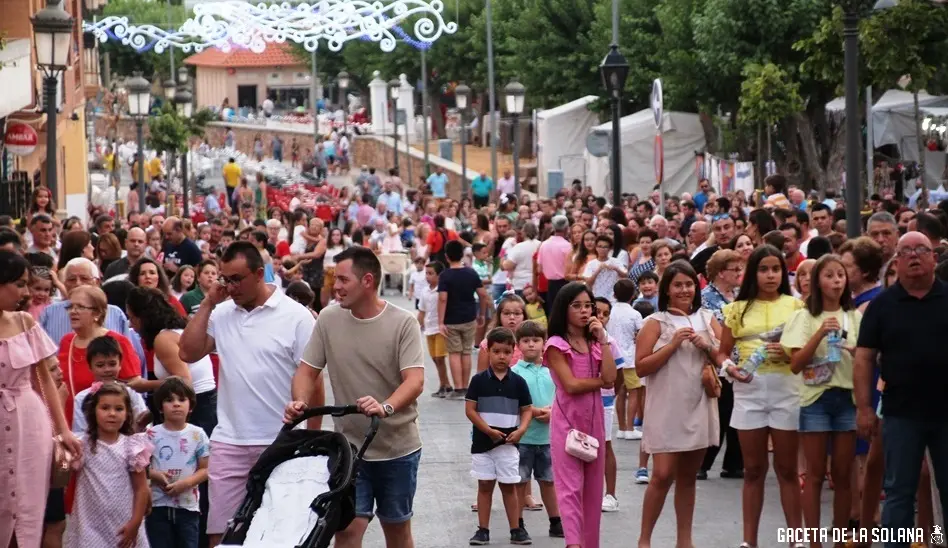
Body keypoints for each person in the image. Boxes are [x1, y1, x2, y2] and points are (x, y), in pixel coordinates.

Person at [285, 246, 426, 548]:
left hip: (397, 449)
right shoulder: (328, 319)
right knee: (347, 531)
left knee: (397, 531)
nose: (335, 286)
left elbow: (415, 381)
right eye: (335, 279)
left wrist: (385, 407)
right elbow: (307, 372)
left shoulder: (404, 323)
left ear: (368, 281)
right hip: (349, 450)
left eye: (343, 280)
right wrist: (299, 401)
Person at [179, 242, 315, 548]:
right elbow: (187, 351)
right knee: (221, 533)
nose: (230, 286)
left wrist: (308, 437)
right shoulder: (222, 312)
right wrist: (207, 305)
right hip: (229, 440)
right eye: (225, 278)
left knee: (280, 533)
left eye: (237, 278)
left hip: (279, 440)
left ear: (259, 274)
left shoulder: (297, 316)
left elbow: (312, 377)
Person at [855, 232, 948, 546]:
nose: (914, 256)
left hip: (945, 412)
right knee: (898, 492)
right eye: (906, 251)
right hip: (900, 412)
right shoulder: (882, 306)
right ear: (896, 261)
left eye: (921, 249)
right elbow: (864, 357)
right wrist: (865, 408)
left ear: (934, 257)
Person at [714, 245, 804, 548]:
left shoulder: (797, 306)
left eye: (775, 269)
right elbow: (722, 351)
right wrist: (729, 368)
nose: (770, 275)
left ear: (783, 272)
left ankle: (797, 540)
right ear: (753, 272)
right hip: (748, 390)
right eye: (763, 269)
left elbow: (807, 351)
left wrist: (790, 351)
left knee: (788, 470)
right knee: (753, 470)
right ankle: (748, 541)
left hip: (787, 387)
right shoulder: (737, 309)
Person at [635, 261, 721, 548]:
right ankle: (644, 539)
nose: (685, 290)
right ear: (667, 290)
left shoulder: (708, 318)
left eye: (689, 284)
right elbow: (641, 368)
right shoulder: (655, 322)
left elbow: (724, 356)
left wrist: (706, 345)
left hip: (698, 402)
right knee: (661, 475)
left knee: (687, 477)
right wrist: (671, 345)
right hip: (666, 406)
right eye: (678, 285)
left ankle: (685, 540)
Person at [0, 250, 81, 548]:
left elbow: (45, 380)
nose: (25, 293)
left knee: (29, 507)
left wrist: (62, 430)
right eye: (19, 284)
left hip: (29, 423)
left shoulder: (25, 322)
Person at [781, 254, 861, 548]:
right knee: (814, 474)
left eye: (840, 275)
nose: (836, 281)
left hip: (847, 397)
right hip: (815, 398)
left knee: (842, 474)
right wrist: (820, 333)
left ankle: (839, 539)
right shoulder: (804, 316)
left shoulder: (855, 317)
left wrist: (856, 353)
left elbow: (869, 358)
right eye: (829, 275)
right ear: (817, 282)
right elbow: (795, 363)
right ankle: (813, 541)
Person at [544, 282, 617, 548]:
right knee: (570, 489)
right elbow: (571, 385)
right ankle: (573, 544)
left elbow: (611, 377)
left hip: (594, 423)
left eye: (588, 306)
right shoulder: (555, 344)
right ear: (564, 309)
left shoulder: (596, 343)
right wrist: (600, 382)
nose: (584, 311)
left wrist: (604, 340)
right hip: (566, 424)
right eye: (577, 306)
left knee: (594, 490)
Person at [465, 327, 534, 545]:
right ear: (488, 352)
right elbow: (470, 410)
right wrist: (487, 430)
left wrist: (521, 429)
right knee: (484, 486)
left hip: (508, 445)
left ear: (513, 352)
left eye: (506, 351)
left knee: (509, 487)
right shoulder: (478, 381)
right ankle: (482, 530)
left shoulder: (519, 382)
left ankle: (516, 529)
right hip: (482, 445)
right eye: (496, 351)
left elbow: (527, 409)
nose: (501, 356)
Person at [64, 382, 153, 548]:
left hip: (124, 523)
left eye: (119, 409)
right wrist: (63, 457)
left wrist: (135, 523)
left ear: (127, 413)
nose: (112, 414)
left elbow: (141, 488)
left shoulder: (132, 447)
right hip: (89, 526)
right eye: (105, 408)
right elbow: (63, 470)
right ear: (93, 411)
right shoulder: (82, 445)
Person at [58, 285, 143, 427]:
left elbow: (133, 387)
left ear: (97, 312)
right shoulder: (66, 341)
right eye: (70, 307)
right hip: (72, 425)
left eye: (80, 307)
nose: (73, 312)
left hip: (109, 427)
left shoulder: (117, 341)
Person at [510, 320, 563, 539]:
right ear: (518, 345)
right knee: (520, 483)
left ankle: (556, 521)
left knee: (548, 481)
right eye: (526, 341)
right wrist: (535, 412)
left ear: (544, 343)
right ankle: (518, 524)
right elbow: (513, 403)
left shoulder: (552, 371)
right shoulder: (514, 373)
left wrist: (553, 412)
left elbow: (561, 397)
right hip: (523, 437)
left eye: (536, 340)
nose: (531, 344)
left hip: (548, 437)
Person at [145, 377, 211, 548]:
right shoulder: (151, 434)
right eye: (169, 400)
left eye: (181, 399)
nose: (176, 404)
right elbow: (141, 467)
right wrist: (155, 475)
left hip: (188, 508)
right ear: (160, 407)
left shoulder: (198, 434)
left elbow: (206, 469)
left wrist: (186, 483)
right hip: (157, 506)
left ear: (191, 406)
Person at [698, 249, 745, 479]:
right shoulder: (706, 297)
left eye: (740, 268)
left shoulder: (739, 296)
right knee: (720, 413)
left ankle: (734, 463)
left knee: (737, 413)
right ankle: (702, 463)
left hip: (741, 362)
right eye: (734, 269)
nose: (739, 273)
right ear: (719, 272)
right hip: (718, 362)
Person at [439, 240, 490, 399]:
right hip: (469, 317)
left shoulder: (445, 275)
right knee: (466, 352)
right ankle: (466, 387)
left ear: (446, 257)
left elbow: (442, 299)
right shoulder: (471, 273)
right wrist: (481, 313)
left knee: (454, 353)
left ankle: (458, 388)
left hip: (451, 319)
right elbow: (482, 294)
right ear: (462, 255)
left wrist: (440, 321)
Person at [70, 336, 149, 435]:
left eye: (112, 364)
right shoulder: (82, 398)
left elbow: (142, 422)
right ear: (90, 367)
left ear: (120, 364)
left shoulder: (131, 393)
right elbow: (80, 434)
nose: (107, 370)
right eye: (100, 365)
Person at [609, 279, 645, 441]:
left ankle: (622, 428)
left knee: (620, 392)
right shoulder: (635, 314)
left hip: (613, 357)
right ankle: (630, 428)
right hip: (629, 357)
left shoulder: (610, 312)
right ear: (632, 295)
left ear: (614, 294)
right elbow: (641, 334)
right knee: (634, 391)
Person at [418, 260, 452, 397]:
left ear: (439, 276)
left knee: (440, 358)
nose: (427, 276)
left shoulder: (442, 291)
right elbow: (422, 310)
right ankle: (445, 384)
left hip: (440, 328)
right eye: (426, 273)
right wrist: (416, 325)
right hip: (429, 328)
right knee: (434, 358)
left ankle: (444, 385)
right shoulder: (425, 291)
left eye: (431, 274)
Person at [537, 215, 573, 317]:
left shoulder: (544, 245)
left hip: (550, 285)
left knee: (552, 314)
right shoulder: (568, 246)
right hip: (565, 283)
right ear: (567, 228)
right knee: (565, 314)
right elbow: (571, 268)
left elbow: (539, 269)